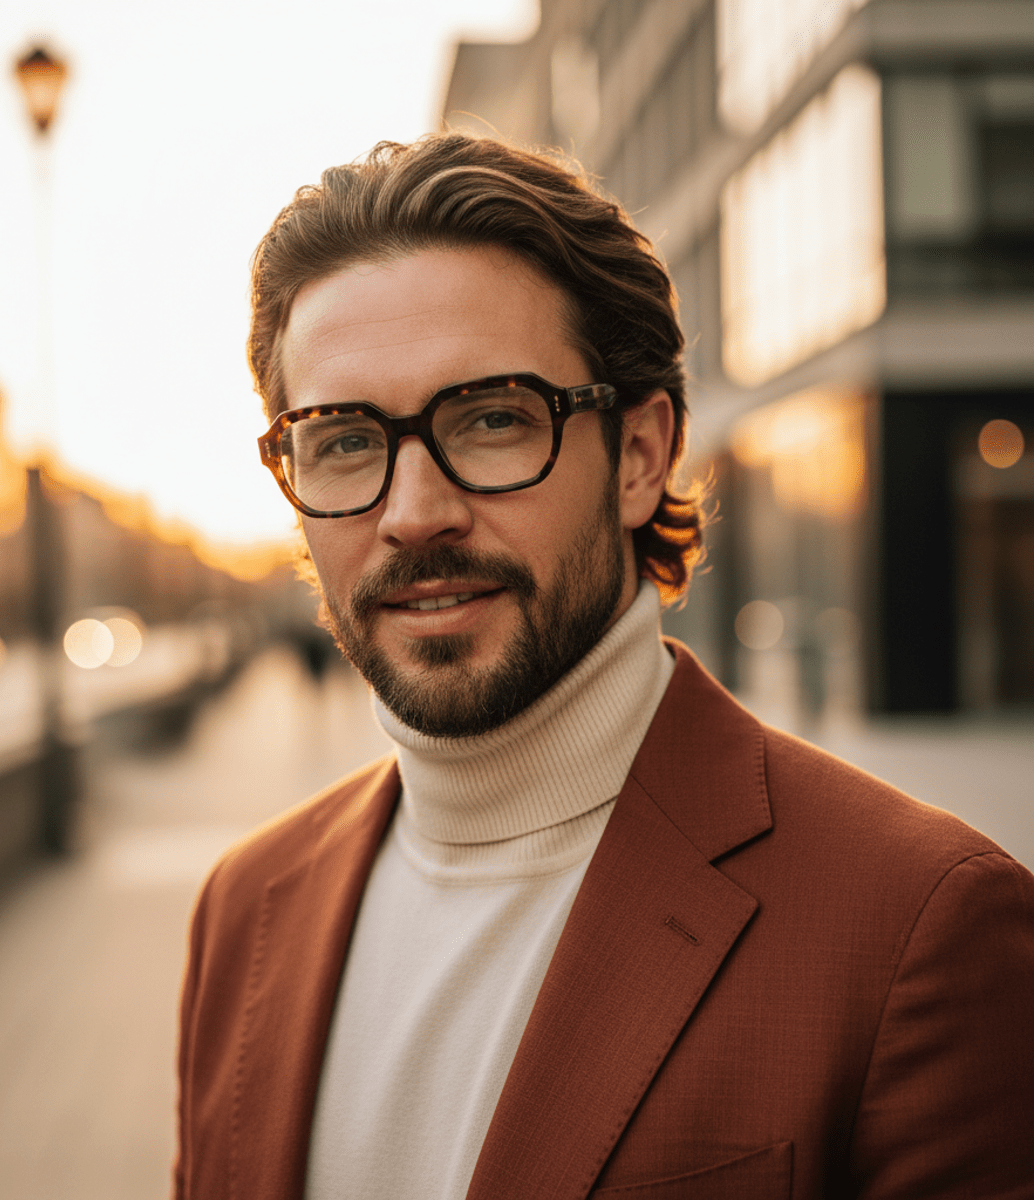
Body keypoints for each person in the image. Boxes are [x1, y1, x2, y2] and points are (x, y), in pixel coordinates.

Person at [174, 134, 1034, 1200]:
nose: (413, 514)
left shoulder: (919, 924)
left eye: (491, 419)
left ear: (638, 455)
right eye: (344, 440)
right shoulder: (244, 909)